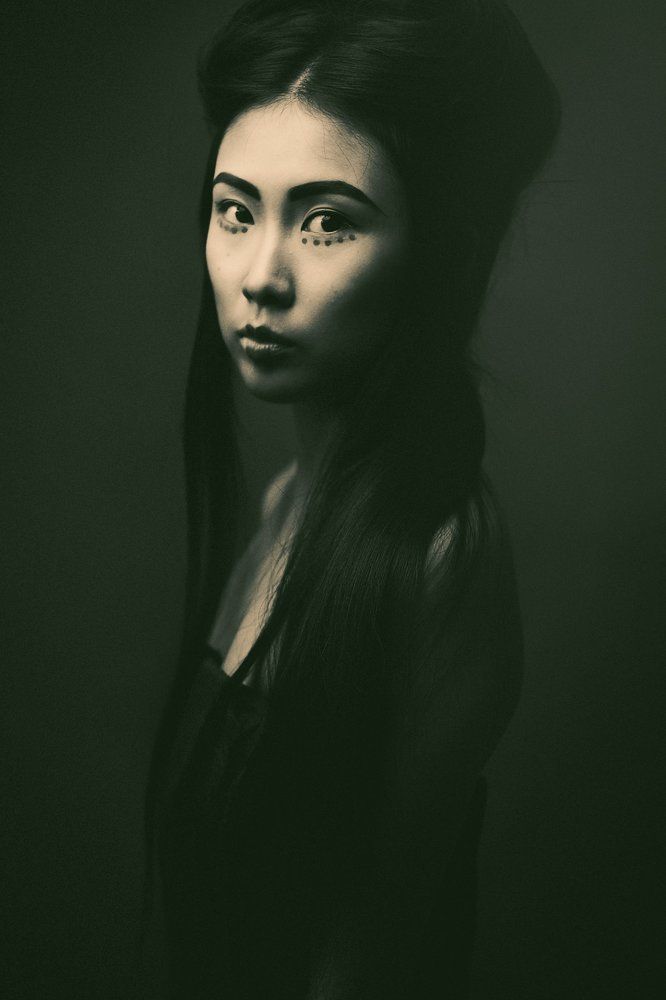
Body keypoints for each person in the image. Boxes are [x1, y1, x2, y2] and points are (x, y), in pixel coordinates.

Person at [142, 1, 561, 996]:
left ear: (437, 251)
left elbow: (366, 959)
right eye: (235, 211)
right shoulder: (286, 500)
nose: (261, 276)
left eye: (327, 222)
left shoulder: (441, 559)